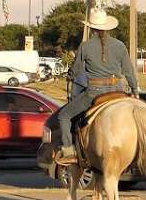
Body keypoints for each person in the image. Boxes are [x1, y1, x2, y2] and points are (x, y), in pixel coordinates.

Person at [56, 8, 139, 164]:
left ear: (92, 28)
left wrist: (69, 75)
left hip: (95, 93)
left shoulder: (85, 46)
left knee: (64, 116)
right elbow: (128, 71)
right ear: (108, 27)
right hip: (119, 91)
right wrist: (134, 90)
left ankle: (68, 151)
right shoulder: (120, 45)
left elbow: (77, 70)